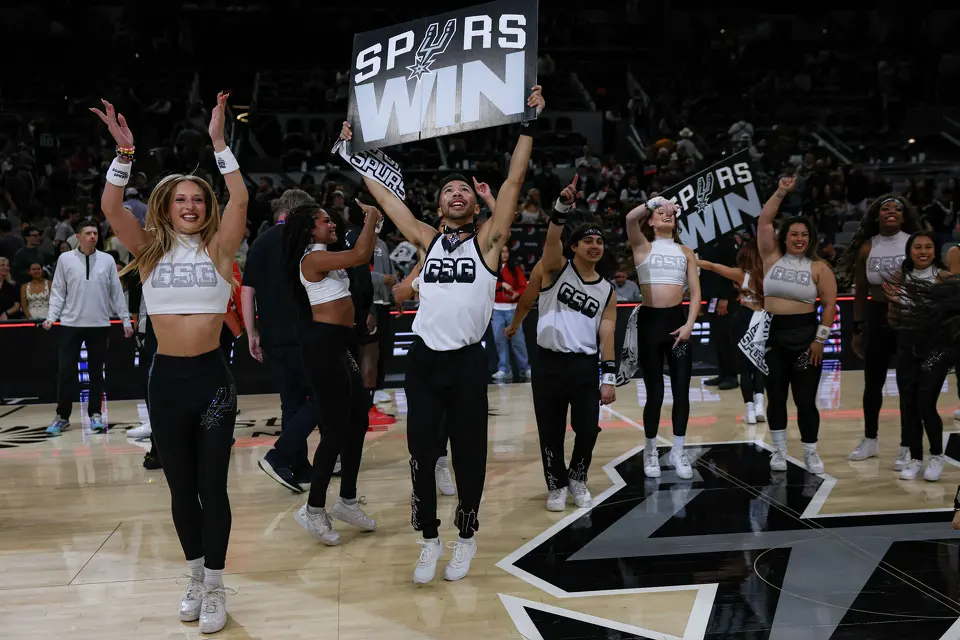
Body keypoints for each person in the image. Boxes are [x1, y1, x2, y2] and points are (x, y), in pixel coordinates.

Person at [339, 85, 544, 584]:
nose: (457, 193)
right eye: (448, 190)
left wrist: (528, 125)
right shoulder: (427, 241)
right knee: (421, 456)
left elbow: (515, 181)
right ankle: (429, 540)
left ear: (477, 205)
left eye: (465, 190)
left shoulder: (489, 243)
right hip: (426, 363)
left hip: (469, 362)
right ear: (438, 205)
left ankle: (466, 537)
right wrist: (352, 153)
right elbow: (387, 200)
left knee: (469, 458)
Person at [91, 93, 246, 634]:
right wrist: (125, 151)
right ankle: (196, 577)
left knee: (214, 487)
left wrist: (221, 146)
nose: (189, 205)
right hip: (166, 382)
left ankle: (218, 587)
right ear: (166, 205)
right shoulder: (151, 249)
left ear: (206, 207)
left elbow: (242, 201)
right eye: (180, 198)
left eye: (197, 199)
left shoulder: (220, 251)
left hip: (211, 381)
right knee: (181, 488)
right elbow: (112, 207)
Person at [282, 201, 379, 545]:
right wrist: (372, 218)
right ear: (310, 229)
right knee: (335, 430)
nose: (332, 223)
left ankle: (347, 501)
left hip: (338, 345)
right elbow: (360, 254)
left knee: (358, 422)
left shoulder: (326, 255)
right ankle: (313, 509)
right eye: (325, 220)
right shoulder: (312, 258)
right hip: (322, 347)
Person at [527, 176, 617, 511]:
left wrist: (608, 378)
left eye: (600, 241)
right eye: (588, 241)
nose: (595, 245)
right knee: (550, 431)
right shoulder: (555, 269)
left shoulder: (607, 290)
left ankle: (577, 477)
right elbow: (551, 241)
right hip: (548, 363)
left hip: (583, 366)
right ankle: (556, 484)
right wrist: (561, 209)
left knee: (587, 429)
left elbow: (607, 333)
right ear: (574, 246)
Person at [757, 173, 837, 474]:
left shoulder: (819, 267)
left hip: (806, 338)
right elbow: (764, 223)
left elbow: (829, 305)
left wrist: (819, 340)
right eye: (794, 234)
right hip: (773, 337)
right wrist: (779, 192)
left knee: (805, 400)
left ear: (810, 238)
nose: (799, 238)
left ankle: (810, 452)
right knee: (775, 398)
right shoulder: (771, 257)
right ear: (785, 237)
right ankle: (778, 452)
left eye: (804, 234)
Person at [243, 189, 320, 493]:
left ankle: (297, 466)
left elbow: (246, 291)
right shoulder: (302, 241)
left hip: (272, 337)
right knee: (323, 399)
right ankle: (280, 455)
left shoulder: (259, 242)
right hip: (304, 333)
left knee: (291, 403)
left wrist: (252, 333)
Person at [625, 196, 701, 479]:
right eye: (660, 213)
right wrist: (654, 201)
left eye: (669, 212)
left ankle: (679, 450)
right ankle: (650, 449)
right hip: (650, 326)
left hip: (677, 326)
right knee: (654, 392)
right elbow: (630, 219)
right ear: (652, 221)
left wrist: (689, 324)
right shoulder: (642, 245)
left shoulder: (686, 251)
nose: (665, 215)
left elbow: (695, 292)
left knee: (682, 390)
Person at [843, 195, 919, 465]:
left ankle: (908, 445)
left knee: (907, 383)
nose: (891, 212)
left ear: (903, 215)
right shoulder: (867, 247)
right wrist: (857, 327)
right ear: (877, 215)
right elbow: (861, 291)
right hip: (876, 317)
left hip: (907, 316)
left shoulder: (914, 242)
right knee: (872, 382)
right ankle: (870, 439)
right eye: (886, 208)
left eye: (897, 209)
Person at [42, 219, 133, 434]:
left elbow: (116, 293)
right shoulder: (65, 259)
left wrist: (126, 320)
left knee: (96, 372)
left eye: (95, 233)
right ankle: (62, 416)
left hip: (99, 325)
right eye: (88, 233)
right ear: (78, 236)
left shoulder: (108, 260)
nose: (93, 236)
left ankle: (95, 414)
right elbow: (58, 291)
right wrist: (51, 317)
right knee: (65, 373)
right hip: (70, 324)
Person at [886, 231, 950, 481]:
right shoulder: (898, 277)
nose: (923, 251)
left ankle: (936, 456)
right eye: (917, 247)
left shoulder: (945, 278)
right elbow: (891, 317)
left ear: (935, 251)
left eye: (928, 247)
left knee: (925, 402)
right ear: (909, 251)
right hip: (906, 345)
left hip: (935, 348)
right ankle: (915, 458)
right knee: (908, 405)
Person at [697, 240, 767, 424]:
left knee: (745, 367)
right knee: (759, 366)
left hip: (743, 318)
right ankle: (760, 406)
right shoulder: (770, 274)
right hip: (762, 319)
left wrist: (691, 259)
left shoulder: (740, 274)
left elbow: (713, 266)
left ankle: (750, 411)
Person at [699, 233, 740, 390]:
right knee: (717, 338)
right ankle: (722, 373)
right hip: (711, 296)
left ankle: (732, 376)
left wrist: (726, 297)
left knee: (726, 338)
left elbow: (731, 270)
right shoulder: (705, 241)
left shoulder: (726, 242)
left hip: (724, 298)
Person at [492, 244, 532, 381]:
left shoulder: (514, 269)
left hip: (513, 310)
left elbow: (523, 286)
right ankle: (504, 369)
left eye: (506, 251)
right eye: (502, 252)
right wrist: (501, 285)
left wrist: (517, 294)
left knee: (518, 341)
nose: (504, 254)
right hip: (497, 310)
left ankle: (525, 368)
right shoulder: (492, 269)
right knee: (499, 340)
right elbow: (486, 284)